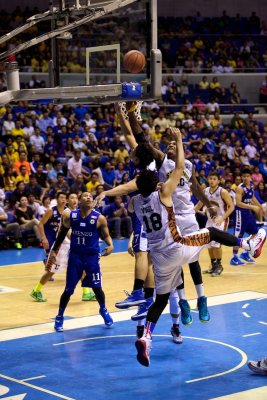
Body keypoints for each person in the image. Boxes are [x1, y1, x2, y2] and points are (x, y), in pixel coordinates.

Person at [131, 129, 266, 367]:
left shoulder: (136, 203)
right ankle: (249, 244)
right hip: (175, 245)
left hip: (158, 258)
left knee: (160, 299)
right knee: (211, 232)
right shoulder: (163, 193)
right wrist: (180, 140)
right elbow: (179, 170)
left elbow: (138, 183)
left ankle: (146, 336)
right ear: (158, 184)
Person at [46, 192, 114, 331]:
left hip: (92, 257)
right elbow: (61, 234)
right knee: (68, 290)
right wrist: (54, 251)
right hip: (76, 257)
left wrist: (111, 245)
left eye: (90, 196)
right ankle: (59, 316)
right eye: (85, 196)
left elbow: (106, 235)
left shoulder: (99, 218)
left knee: (97, 288)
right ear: (79, 200)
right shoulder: (70, 216)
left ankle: (103, 309)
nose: (89, 197)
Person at [195, 171, 234, 276]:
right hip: (210, 220)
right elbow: (199, 204)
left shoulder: (223, 192)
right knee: (209, 245)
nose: (212, 181)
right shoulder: (206, 191)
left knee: (216, 245)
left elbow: (231, 206)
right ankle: (213, 265)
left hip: (221, 220)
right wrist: (190, 212)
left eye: (214, 179)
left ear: (219, 180)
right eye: (210, 179)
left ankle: (219, 265)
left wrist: (222, 218)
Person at [30, 192, 67, 302]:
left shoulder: (67, 212)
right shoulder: (51, 210)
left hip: (62, 241)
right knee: (52, 266)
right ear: (57, 199)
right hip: (50, 239)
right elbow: (41, 224)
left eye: (65, 198)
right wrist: (44, 238)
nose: (63, 199)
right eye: (61, 197)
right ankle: (37, 290)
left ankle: (86, 292)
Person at [230, 168, 265, 265]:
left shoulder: (251, 186)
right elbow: (238, 203)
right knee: (238, 236)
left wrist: (260, 206)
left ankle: (245, 253)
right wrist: (252, 207)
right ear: (241, 177)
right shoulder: (240, 188)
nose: (246, 178)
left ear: (250, 177)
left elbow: (252, 197)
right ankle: (234, 257)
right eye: (244, 176)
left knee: (255, 232)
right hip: (239, 213)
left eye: (247, 176)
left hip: (248, 213)